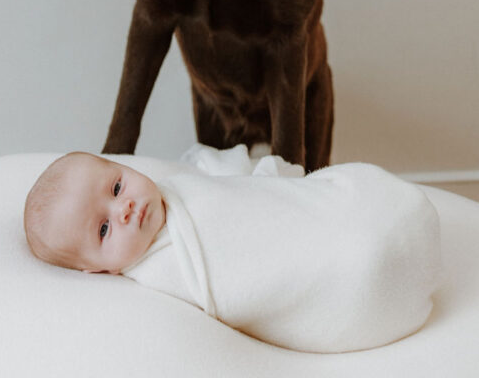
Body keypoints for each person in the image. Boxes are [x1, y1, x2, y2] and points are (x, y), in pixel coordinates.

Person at [23, 145, 442, 354]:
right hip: (357, 291)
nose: (125, 208)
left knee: (352, 207)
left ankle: (385, 235)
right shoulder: (164, 274)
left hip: (372, 220)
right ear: (98, 271)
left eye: (116, 186)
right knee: (360, 257)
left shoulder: (168, 191)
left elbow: (240, 192)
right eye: (103, 229)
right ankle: (378, 263)